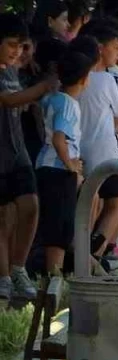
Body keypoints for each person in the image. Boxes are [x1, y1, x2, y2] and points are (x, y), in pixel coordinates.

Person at [0, 14, 52, 304]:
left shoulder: (12, 70)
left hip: (17, 153)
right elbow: (9, 100)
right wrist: (42, 88)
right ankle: (4, 279)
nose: (16, 51)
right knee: (3, 219)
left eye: (21, 46)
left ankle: (17, 268)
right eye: (11, 45)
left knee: (30, 206)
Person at [76, 19, 118, 272]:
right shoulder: (108, 80)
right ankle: (92, 254)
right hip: (106, 152)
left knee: (89, 204)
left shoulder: (76, 78)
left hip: (77, 153)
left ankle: (82, 254)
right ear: (100, 48)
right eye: (115, 47)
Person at [34, 49, 90, 277]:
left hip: (44, 165)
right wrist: (71, 166)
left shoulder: (52, 98)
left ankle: (51, 276)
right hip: (58, 170)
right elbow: (59, 138)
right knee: (60, 226)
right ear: (84, 79)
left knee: (52, 222)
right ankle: (54, 277)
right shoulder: (69, 104)